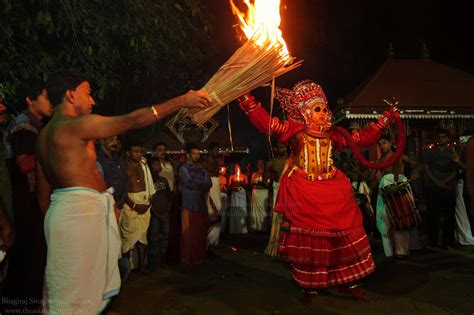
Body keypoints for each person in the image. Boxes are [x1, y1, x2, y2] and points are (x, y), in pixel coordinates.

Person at [36, 70, 209, 314]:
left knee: (68, 287)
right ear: (70, 95)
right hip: (78, 218)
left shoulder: (43, 136)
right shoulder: (75, 126)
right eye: (88, 93)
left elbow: (43, 196)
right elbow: (132, 120)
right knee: (76, 296)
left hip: (62, 215)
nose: (93, 100)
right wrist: (181, 101)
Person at [238, 80, 402, 302]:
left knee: (344, 236)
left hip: (333, 191)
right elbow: (267, 124)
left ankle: (348, 282)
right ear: (305, 112)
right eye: (318, 109)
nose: (324, 113)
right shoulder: (295, 132)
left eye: (325, 108)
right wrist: (247, 99)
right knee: (311, 242)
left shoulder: (335, 134)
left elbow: (362, 138)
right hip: (305, 191)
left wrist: (385, 119)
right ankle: (309, 285)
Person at [4, 79, 53, 308]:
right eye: (45, 97)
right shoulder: (24, 126)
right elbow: (24, 165)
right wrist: (52, 150)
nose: (50, 102)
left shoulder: (36, 126)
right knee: (27, 264)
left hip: (32, 204)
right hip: (25, 204)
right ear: (29, 100)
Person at [371, 134, 422, 258]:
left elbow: (419, 165)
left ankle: (403, 250)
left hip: (400, 191)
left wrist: (415, 173)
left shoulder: (399, 156)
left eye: (384, 143)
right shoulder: (380, 160)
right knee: (386, 219)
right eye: (380, 144)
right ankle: (391, 250)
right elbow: (371, 178)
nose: (382, 146)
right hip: (386, 192)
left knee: (403, 217)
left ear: (389, 143)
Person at [121, 141, 155, 274]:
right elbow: (122, 190)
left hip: (144, 203)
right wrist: (134, 205)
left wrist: (148, 202)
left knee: (142, 236)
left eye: (140, 151)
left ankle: (141, 266)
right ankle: (126, 270)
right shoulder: (123, 166)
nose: (138, 154)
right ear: (128, 153)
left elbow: (150, 185)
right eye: (135, 151)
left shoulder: (144, 165)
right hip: (130, 204)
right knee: (127, 239)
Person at [423, 129, 458, 249]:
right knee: (433, 215)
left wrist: (444, 181)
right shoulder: (430, 152)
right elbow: (426, 168)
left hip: (448, 187)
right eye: (439, 137)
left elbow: (456, 170)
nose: (441, 139)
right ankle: (433, 241)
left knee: (449, 216)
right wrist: (436, 181)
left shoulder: (452, 152)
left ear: (448, 139)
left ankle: (447, 241)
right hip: (433, 186)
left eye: (444, 137)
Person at [178, 143, 212, 265]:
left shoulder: (202, 169)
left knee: (199, 232)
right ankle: (187, 258)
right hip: (188, 204)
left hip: (200, 204)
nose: (197, 156)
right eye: (194, 153)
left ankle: (198, 257)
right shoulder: (183, 168)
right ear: (188, 155)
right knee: (188, 233)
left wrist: (198, 184)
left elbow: (209, 184)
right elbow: (188, 181)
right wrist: (200, 184)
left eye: (198, 153)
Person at [155, 142, 180, 264]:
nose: (162, 152)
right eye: (159, 149)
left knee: (169, 227)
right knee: (156, 228)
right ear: (155, 151)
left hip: (171, 197)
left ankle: (167, 254)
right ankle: (155, 256)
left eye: (164, 150)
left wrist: (175, 187)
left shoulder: (170, 164)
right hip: (159, 197)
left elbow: (174, 178)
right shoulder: (153, 165)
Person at [147, 157, 172, 271]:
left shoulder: (164, 180)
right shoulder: (148, 181)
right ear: (150, 166)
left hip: (164, 213)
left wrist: (167, 211)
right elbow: (148, 200)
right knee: (154, 237)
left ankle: (163, 260)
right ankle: (154, 263)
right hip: (154, 214)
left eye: (159, 164)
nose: (159, 166)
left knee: (165, 236)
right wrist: (156, 214)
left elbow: (169, 197)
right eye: (156, 164)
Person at [263, 143, 288, 256]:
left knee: (289, 217)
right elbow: (265, 180)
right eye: (281, 147)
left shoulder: (292, 161)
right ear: (275, 148)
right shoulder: (271, 163)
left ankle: (288, 245)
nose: (283, 149)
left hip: (291, 190)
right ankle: (275, 245)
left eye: (284, 147)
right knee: (277, 217)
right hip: (278, 190)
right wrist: (269, 185)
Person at [453, 131, 474, 245]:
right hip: (461, 183)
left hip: (467, 184)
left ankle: (467, 237)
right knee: (461, 210)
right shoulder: (462, 152)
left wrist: (459, 162)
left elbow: (469, 168)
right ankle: (464, 237)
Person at [204, 142, 222, 246]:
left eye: (218, 150)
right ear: (210, 151)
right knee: (211, 210)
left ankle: (214, 241)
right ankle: (207, 240)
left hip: (216, 184)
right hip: (209, 185)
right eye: (215, 150)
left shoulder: (218, 161)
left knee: (218, 209)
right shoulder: (205, 161)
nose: (217, 152)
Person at [227, 163, 249, 234]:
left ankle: (242, 229)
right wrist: (233, 188)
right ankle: (234, 229)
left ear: (240, 168)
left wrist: (241, 184)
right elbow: (229, 187)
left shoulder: (245, 176)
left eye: (237, 167)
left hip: (242, 194)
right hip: (234, 194)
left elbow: (247, 185)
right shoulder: (231, 176)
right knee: (235, 208)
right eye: (235, 167)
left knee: (242, 208)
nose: (236, 169)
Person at [250, 159, 269, 232]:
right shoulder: (254, 174)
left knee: (264, 210)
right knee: (255, 211)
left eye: (262, 163)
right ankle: (256, 227)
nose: (260, 165)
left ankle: (263, 228)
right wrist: (256, 183)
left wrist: (261, 183)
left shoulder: (267, 173)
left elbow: (268, 184)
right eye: (259, 163)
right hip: (256, 193)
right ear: (257, 165)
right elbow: (251, 184)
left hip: (263, 193)